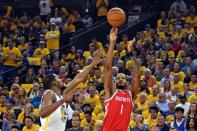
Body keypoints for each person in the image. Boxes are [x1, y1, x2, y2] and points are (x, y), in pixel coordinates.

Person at [39, 50, 101, 131]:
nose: (61, 79)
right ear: (54, 82)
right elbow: (43, 113)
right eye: (58, 78)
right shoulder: (49, 93)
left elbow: (79, 78)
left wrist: (93, 63)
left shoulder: (62, 94)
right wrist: (63, 100)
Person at [102, 28, 139, 131]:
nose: (121, 79)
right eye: (118, 78)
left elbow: (137, 75)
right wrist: (112, 43)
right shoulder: (111, 90)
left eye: (123, 78)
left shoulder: (131, 93)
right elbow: (108, 68)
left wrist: (131, 54)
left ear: (127, 81)